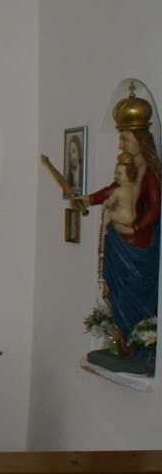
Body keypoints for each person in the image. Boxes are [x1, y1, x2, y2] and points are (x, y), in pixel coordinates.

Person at [72, 85, 161, 350]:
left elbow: (155, 207)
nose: (121, 144)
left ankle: (139, 341)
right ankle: (122, 339)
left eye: (125, 139)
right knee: (118, 290)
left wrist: (136, 227)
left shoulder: (150, 172)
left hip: (137, 244)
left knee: (135, 290)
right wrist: (89, 199)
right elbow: (113, 189)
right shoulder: (129, 169)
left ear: (140, 140)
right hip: (118, 241)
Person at [103, 152, 139, 227]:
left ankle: (104, 231)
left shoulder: (118, 191)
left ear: (129, 174)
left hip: (123, 217)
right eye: (115, 173)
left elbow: (108, 204)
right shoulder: (136, 188)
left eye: (119, 174)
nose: (115, 177)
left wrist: (105, 202)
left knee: (108, 215)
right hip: (134, 217)